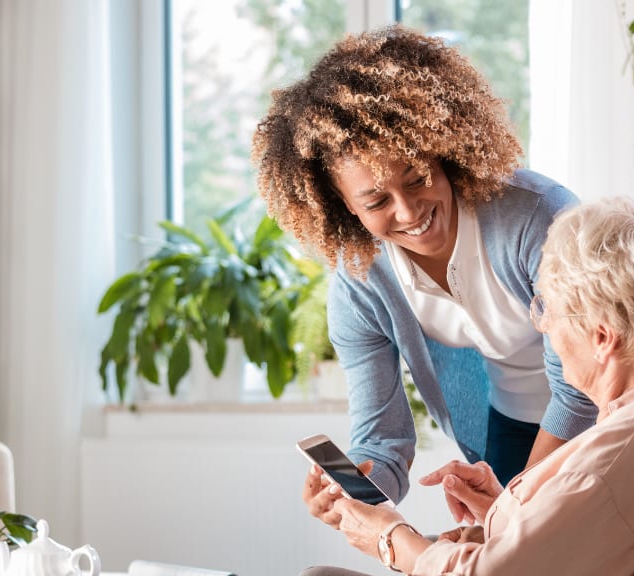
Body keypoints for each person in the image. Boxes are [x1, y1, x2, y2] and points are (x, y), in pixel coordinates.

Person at [294, 197, 634, 576]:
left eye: (547, 308)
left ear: (602, 338)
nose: (542, 325)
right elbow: (589, 535)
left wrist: (386, 535)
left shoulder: (613, 458)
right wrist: (506, 509)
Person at [252, 24, 596, 504]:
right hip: (514, 429)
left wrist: (517, 506)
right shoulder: (361, 284)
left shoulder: (535, 216)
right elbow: (383, 440)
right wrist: (356, 493)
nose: (409, 212)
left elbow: (585, 383)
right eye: (376, 202)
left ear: (441, 152)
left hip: (608, 414)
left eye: (416, 179)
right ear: (342, 204)